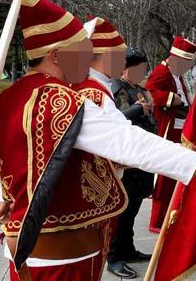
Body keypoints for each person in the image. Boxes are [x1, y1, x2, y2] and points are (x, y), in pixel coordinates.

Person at [0, 0, 196, 280]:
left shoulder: (9, 98)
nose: (89, 60)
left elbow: (12, 162)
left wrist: (0, 195)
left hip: (23, 245)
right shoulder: (63, 101)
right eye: (83, 52)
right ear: (56, 56)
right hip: (61, 253)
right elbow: (129, 143)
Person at [71, 16, 141, 279]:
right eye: (120, 55)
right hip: (97, 187)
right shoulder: (93, 91)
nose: (124, 62)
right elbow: (122, 142)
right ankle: (114, 258)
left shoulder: (94, 87)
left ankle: (120, 253)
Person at [108, 48, 158, 278]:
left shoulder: (141, 89)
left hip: (142, 156)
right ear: (125, 69)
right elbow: (115, 119)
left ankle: (128, 249)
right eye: (139, 69)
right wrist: (140, 108)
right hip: (126, 159)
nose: (143, 72)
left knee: (133, 207)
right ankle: (114, 256)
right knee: (122, 210)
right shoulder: (116, 88)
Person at [145, 36, 196, 233]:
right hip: (167, 129)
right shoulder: (161, 72)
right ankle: (157, 221)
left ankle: (172, 214)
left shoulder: (176, 74)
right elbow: (150, 91)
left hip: (179, 128)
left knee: (177, 173)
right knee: (165, 176)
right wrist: (171, 98)